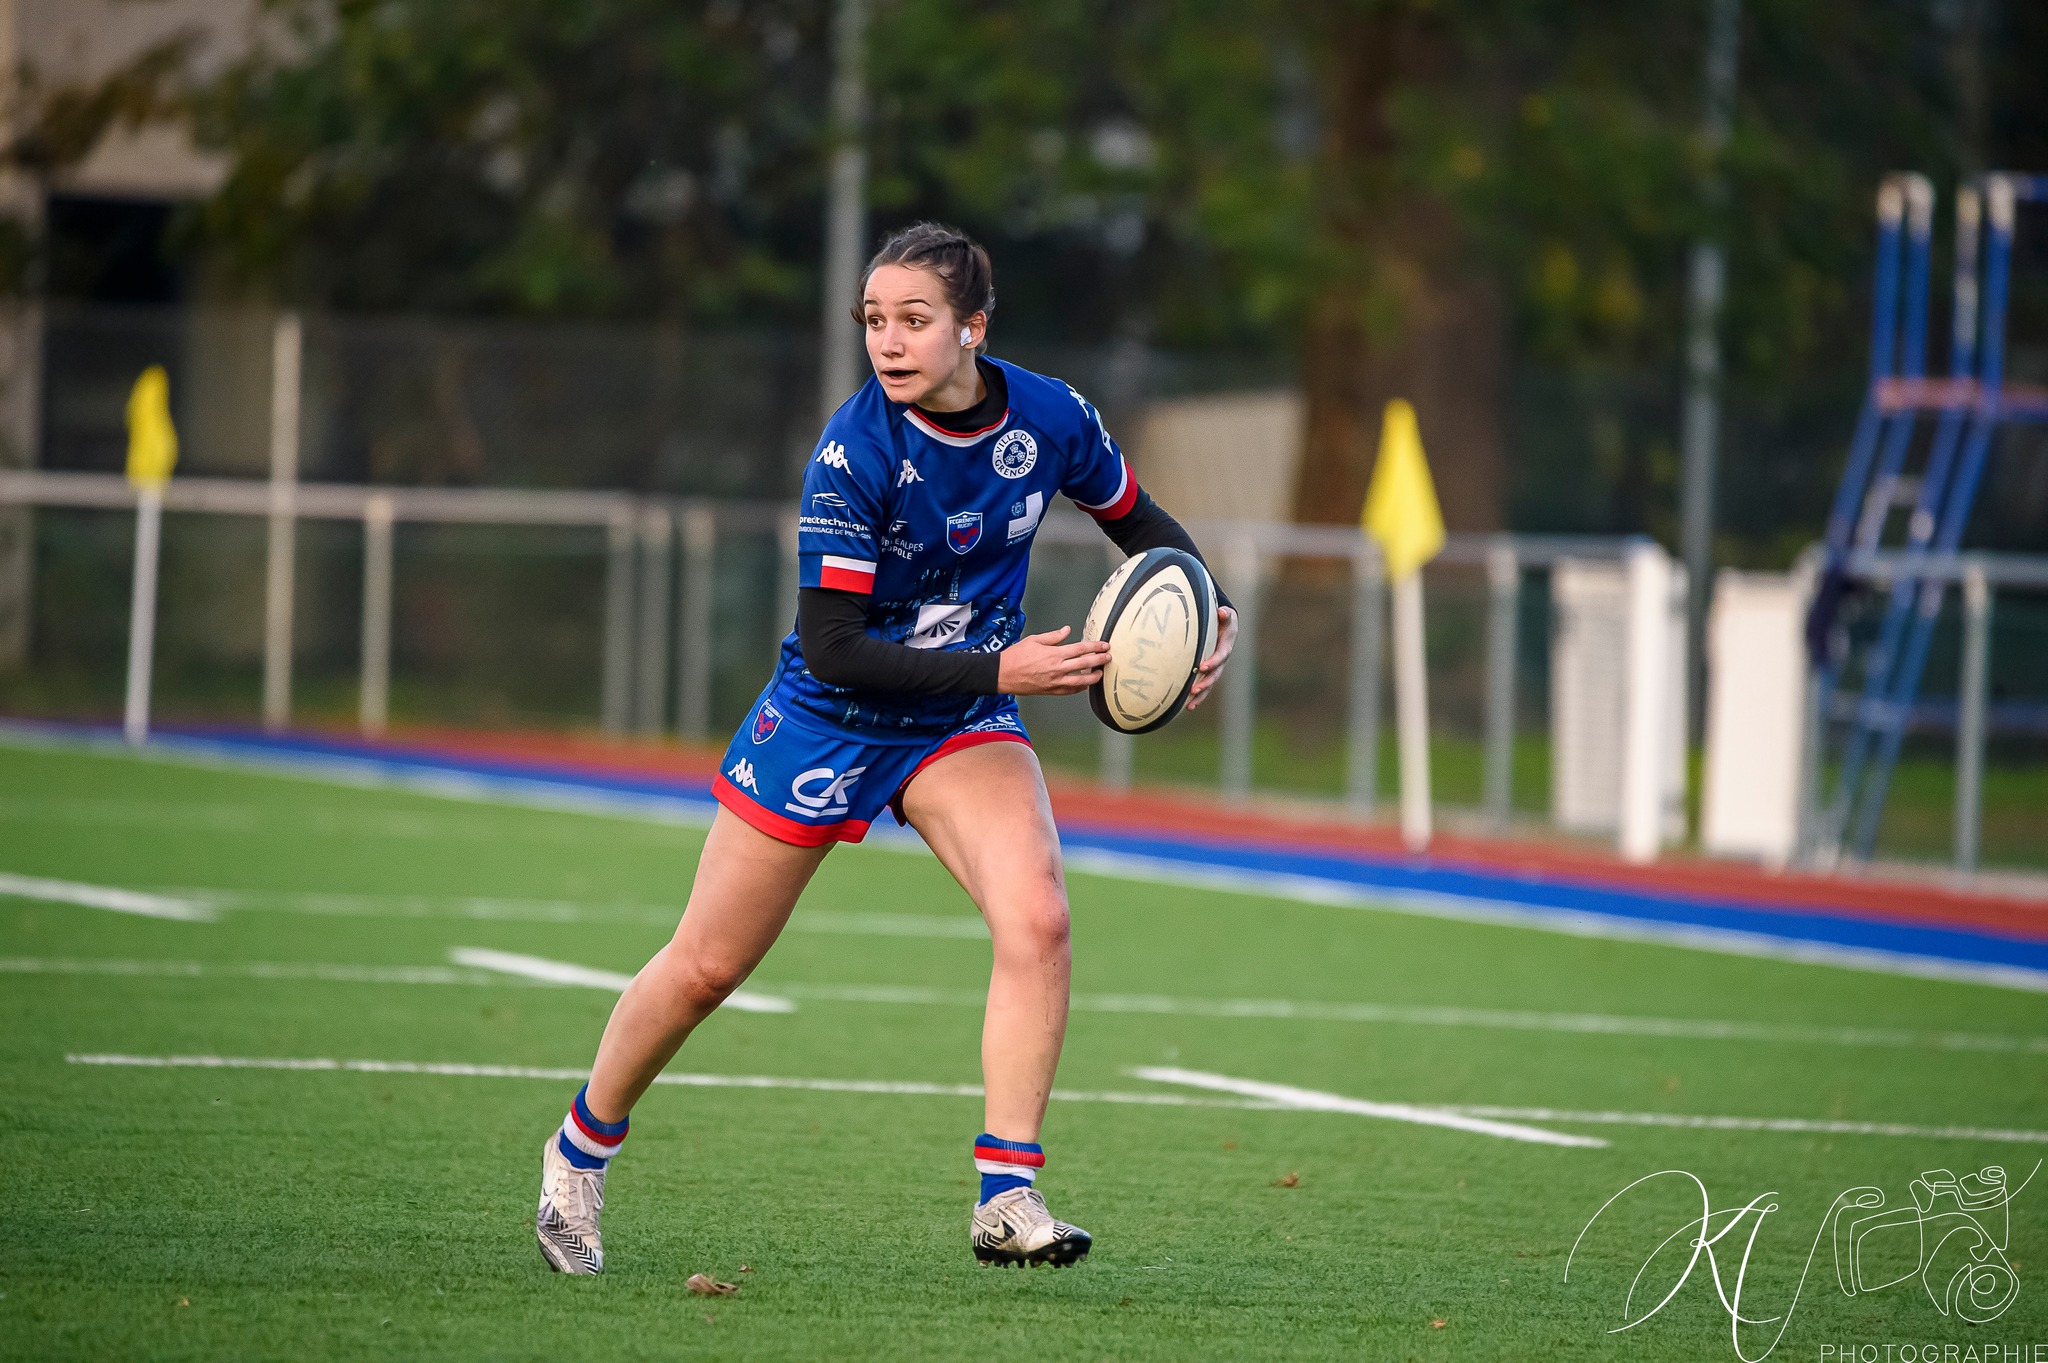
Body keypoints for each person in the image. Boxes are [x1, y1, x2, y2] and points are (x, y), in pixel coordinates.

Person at [535, 222, 1237, 1274]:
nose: (888, 341)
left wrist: (1207, 607)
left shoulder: (1050, 417)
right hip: (832, 712)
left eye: (914, 319)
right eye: (873, 320)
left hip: (957, 724)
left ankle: (1007, 1195)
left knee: (1039, 916)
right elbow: (835, 647)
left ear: (973, 327)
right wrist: (1000, 670)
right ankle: (577, 1153)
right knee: (707, 966)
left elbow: (1144, 528)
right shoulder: (853, 451)